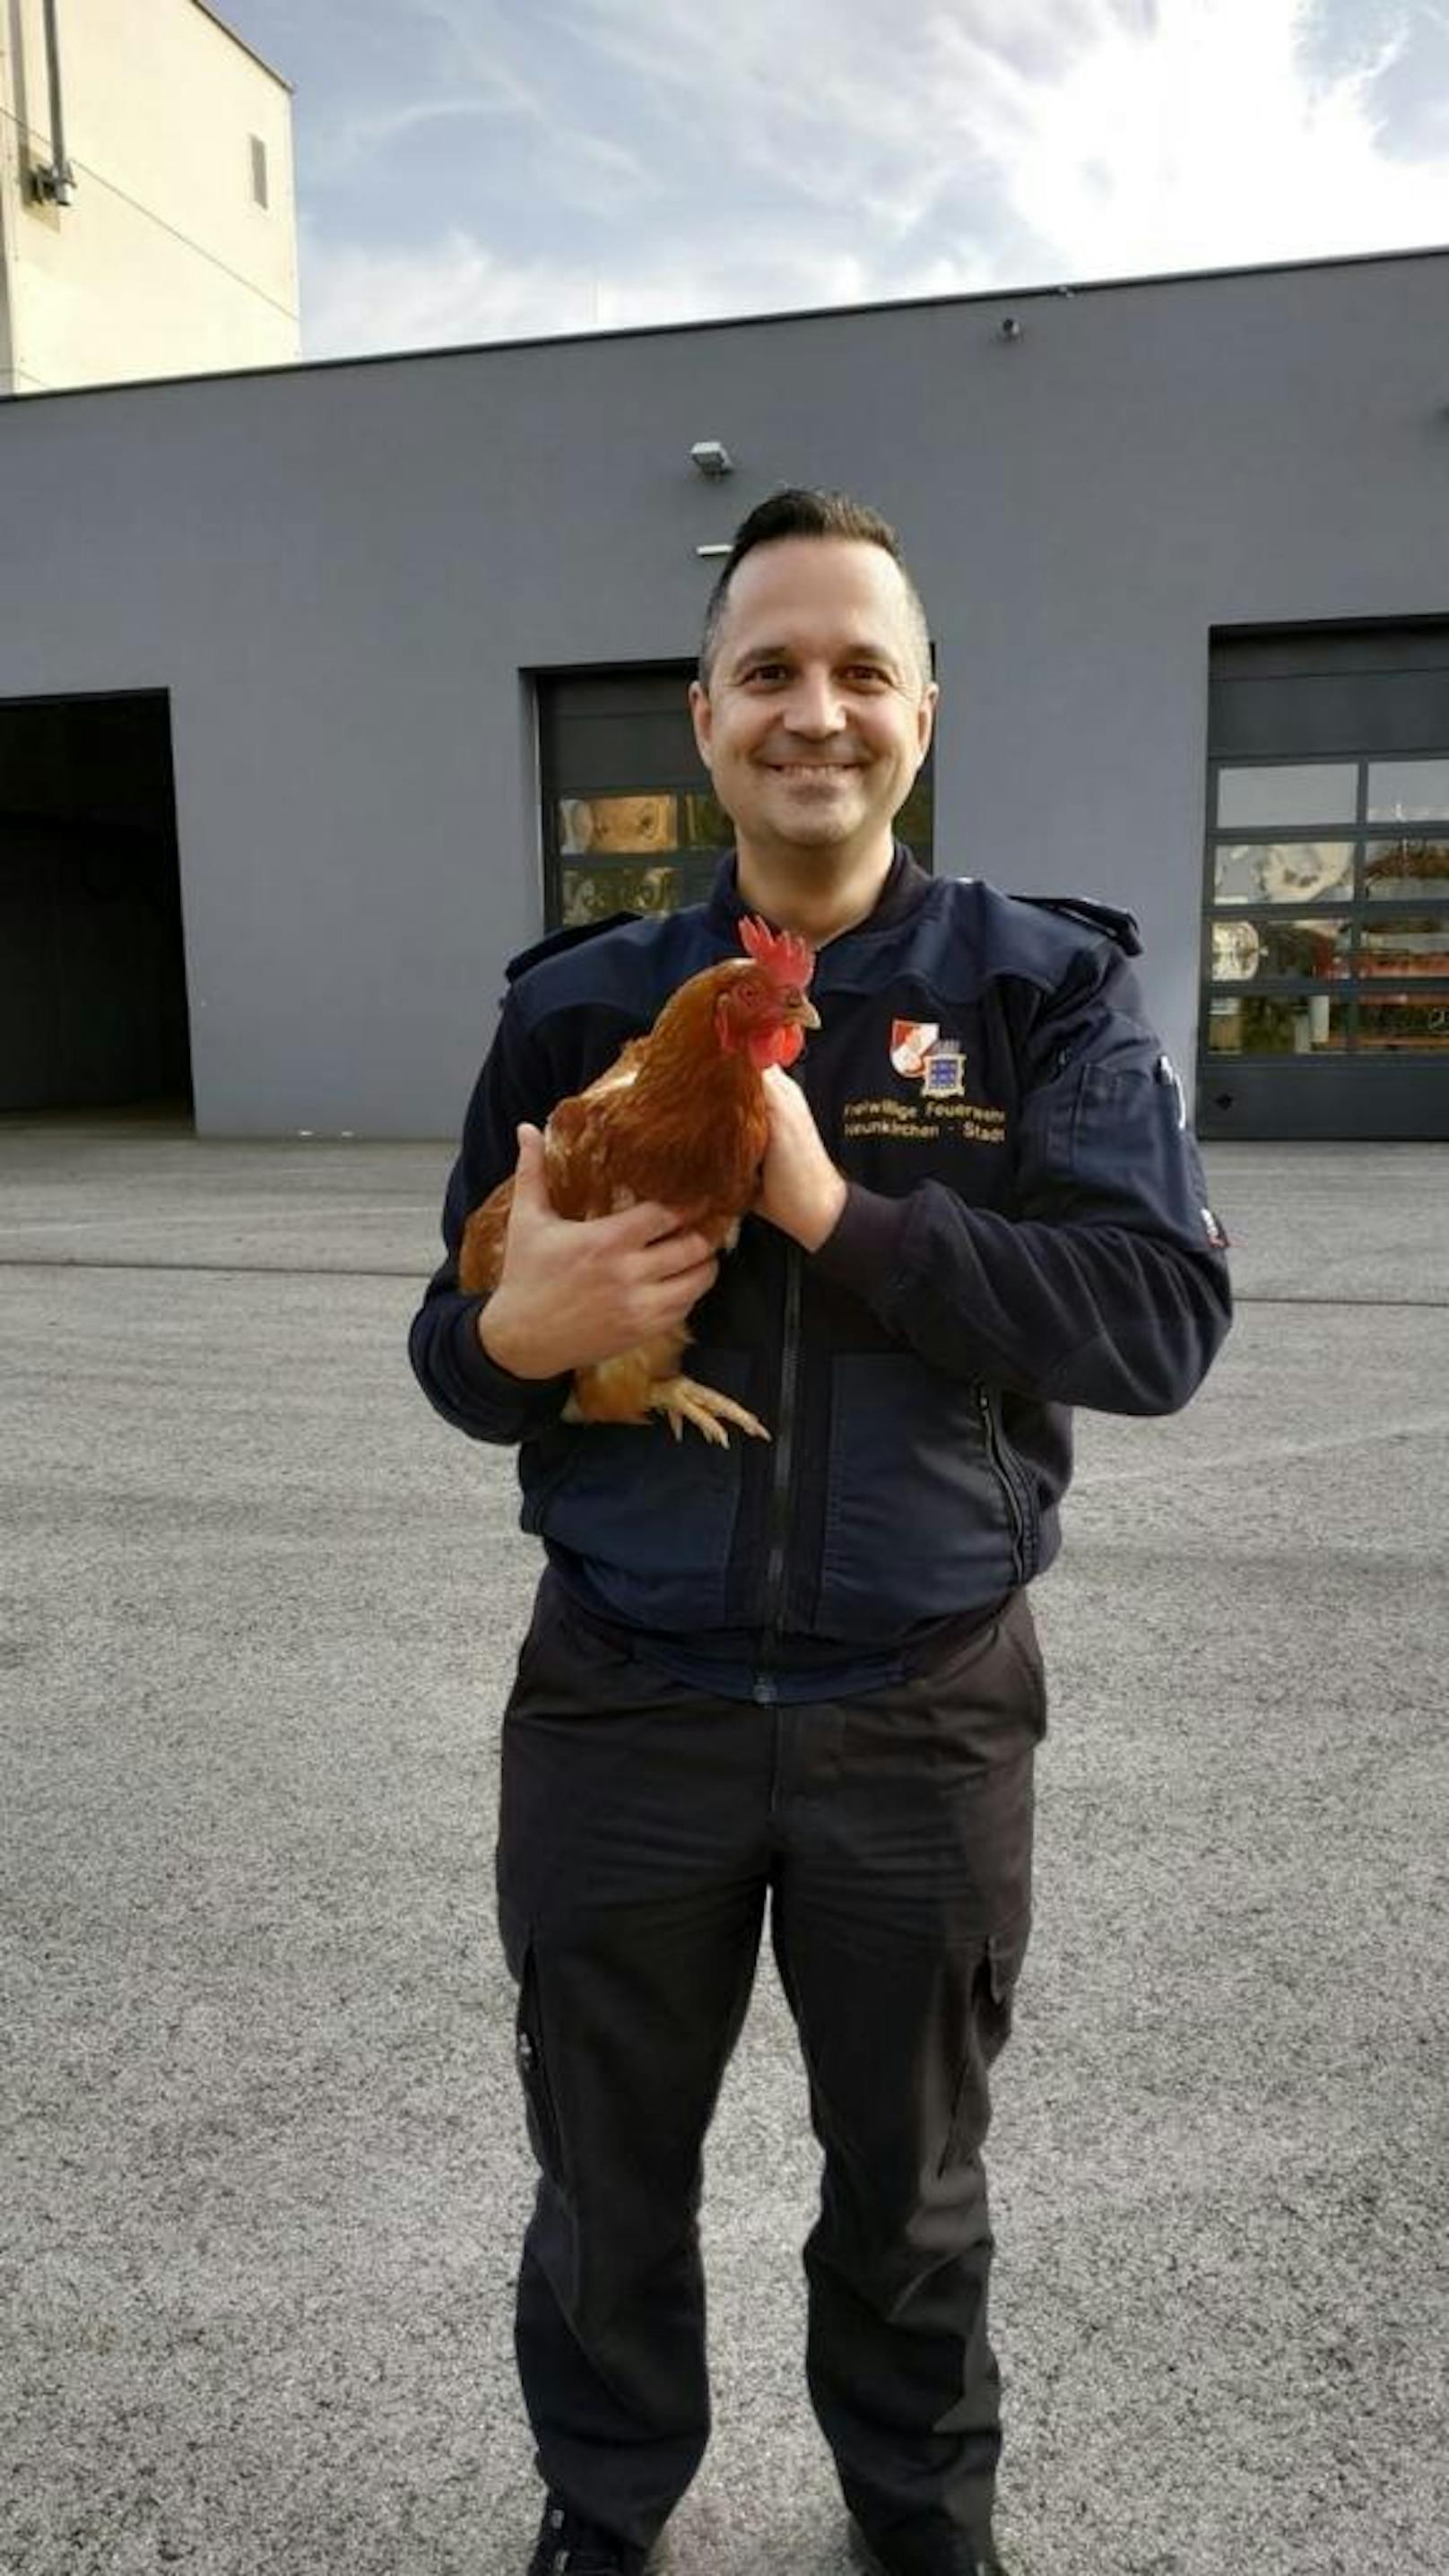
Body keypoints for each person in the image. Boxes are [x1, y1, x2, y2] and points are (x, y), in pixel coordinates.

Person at [409, 490, 1233, 2576]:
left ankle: (918, 2523)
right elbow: (452, 1339)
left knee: (913, 2184)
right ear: (703, 719)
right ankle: (604, 2523)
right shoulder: (580, 996)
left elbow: (1153, 1323)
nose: (815, 710)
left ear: (921, 710)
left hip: (919, 1713)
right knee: (605, 2179)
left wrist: (833, 1214)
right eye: (769, 669)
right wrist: (515, 1331)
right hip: (623, 1696)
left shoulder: (1047, 993)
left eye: (859, 668)